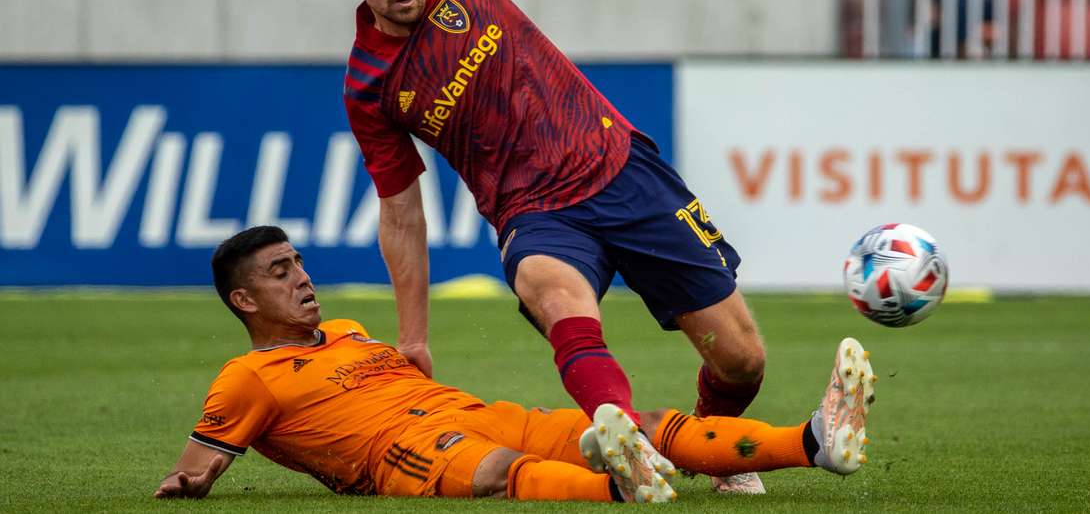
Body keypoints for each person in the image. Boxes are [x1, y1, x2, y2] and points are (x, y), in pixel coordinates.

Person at [333, 0, 768, 497]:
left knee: (743, 360)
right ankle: (627, 439)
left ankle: (712, 443)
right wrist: (414, 337)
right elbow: (401, 210)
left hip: (621, 170)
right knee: (553, 288)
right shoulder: (369, 84)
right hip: (536, 213)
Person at [152, 227, 876, 502]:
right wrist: (187, 481)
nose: (302, 278)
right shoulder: (247, 377)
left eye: (300, 263)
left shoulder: (347, 331)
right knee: (497, 470)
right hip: (397, 453)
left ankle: (813, 441)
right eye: (281, 272)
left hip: (467, 409)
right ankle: (621, 491)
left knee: (643, 421)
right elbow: (196, 465)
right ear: (244, 299)